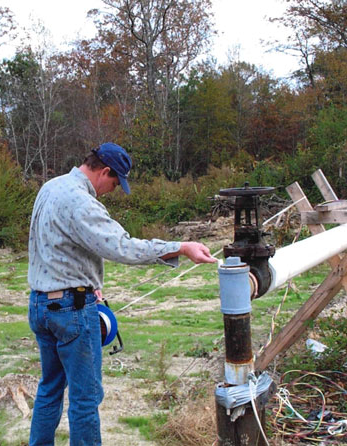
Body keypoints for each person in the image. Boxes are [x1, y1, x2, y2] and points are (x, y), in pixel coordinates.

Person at [27, 142, 216, 446]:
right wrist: (179, 247)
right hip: (70, 310)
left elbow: (51, 244)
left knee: (49, 389)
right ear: (104, 171)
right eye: (115, 183)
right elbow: (122, 246)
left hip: (40, 304)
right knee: (85, 400)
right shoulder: (82, 202)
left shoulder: (50, 187)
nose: (112, 190)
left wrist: (85, 279)